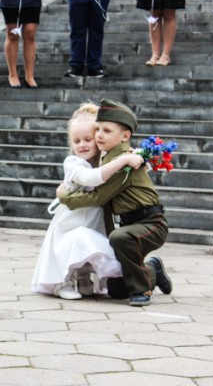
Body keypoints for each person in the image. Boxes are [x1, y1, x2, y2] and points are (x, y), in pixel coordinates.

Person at [57, 99, 173, 306]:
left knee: (120, 238)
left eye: (107, 131)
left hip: (151, 223)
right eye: (98, 129)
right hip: (131, 225)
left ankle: (142, 291)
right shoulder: (109, 159)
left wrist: (64, 197)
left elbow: (99, 197)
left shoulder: (122, 163)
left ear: (125, 136)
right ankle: (153, 270)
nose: (99, 135)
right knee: (116, 289)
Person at [32, 102, 144, 300]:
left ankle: (84, 279)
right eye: (76, 141)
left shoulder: (105, 160)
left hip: (93, 217)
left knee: (91, 246)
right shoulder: (73, 163)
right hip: (71, 221)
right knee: (76, 242)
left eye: (87, 139)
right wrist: (124, 160)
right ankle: (62, 282)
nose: (81, 145)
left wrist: (132, 156)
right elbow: (91, 178)